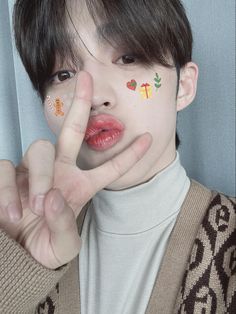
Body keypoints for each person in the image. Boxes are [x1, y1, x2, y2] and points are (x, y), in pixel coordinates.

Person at [0, 0, 235, 313]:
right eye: (64, 74)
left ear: (184, 86)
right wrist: (13, 270)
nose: (95, 97)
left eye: (127, 57)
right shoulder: (23, 237)